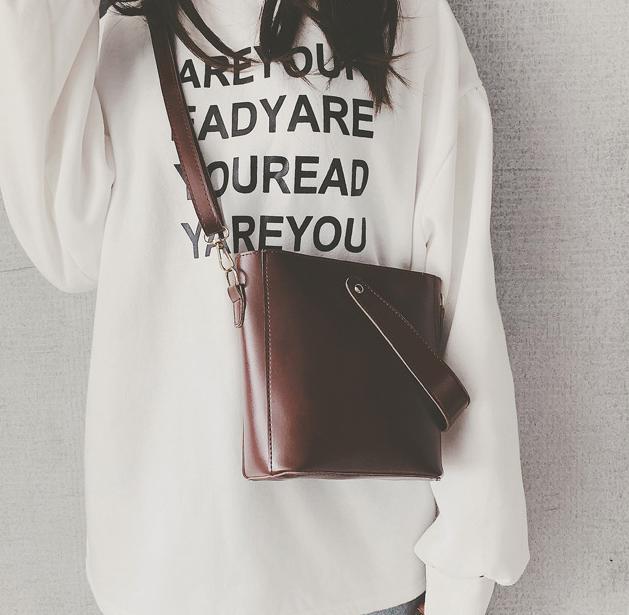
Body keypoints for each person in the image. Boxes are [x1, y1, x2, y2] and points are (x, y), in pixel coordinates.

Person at [0, 0, 530, 614]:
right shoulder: (127, 32)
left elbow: (463, 296)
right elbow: (66, 251)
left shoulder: (408, 18)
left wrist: (466, 570)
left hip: (365, 570)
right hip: (170, 567)